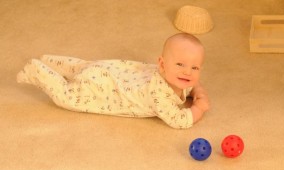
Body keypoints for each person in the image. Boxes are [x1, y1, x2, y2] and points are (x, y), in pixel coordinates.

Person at [16, 33, 209, 129]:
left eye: (195, 68)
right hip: (101, 88)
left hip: (105, 70)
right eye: (180, 65)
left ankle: (51, 61)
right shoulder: (159, 94)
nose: (187, 73)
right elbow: (178, 120)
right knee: (68, 96)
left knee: (81, 67)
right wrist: (198, 108)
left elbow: (190, 83)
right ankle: (39, 71)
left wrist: (196, 90)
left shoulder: (173, 76)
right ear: (162, 64)